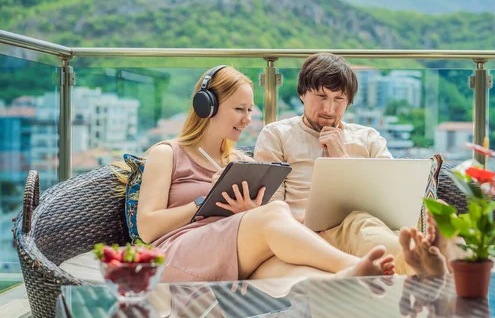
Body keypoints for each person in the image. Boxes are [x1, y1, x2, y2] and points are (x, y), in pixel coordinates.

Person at [134, 65, 396, 282]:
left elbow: (248, 223)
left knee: (305, 278)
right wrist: (205, 198)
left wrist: (247, 211)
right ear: (207, 106)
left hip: (235, 252)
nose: (247, 119)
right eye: (239, 109)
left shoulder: (238, 162)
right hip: (178, 253)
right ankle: (351, 266)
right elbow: (147, 229)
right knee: (275, 211)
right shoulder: (168, 153)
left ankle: (351, 284)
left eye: (250, 110)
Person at [254, 53, 462, 279]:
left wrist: (341, 157)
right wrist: (298, 225)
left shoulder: (368, 138)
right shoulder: (277, 135)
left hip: (375, 225)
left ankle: (433, 256)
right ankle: (419, 260)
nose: (329, 108)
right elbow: (270, 209)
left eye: (339, 99)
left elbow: (393, 198)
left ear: (349, 101)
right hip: (312, 234)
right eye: (321, 96)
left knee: (373, 223)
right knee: (359, 224)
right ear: (302, 93)